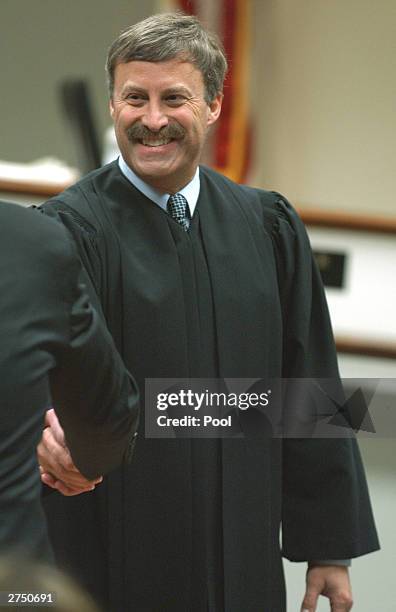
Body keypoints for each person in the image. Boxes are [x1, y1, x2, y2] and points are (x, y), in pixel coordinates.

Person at [38, 12, 379, 612]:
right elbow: (28, 379)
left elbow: (309, 384)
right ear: (112, 102)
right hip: (110, 548)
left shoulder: (267, 225)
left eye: (174, 98)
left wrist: (329, 547)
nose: (152, 120)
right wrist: (43, 429)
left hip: (241, 550)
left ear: (215, 105)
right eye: (134, 98)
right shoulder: (67, 231)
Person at [0, 200, 139, 563]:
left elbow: (292, 397)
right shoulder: (31, 239)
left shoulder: (260, 219)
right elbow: (105, 414)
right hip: (13, 582)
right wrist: (78, 456)